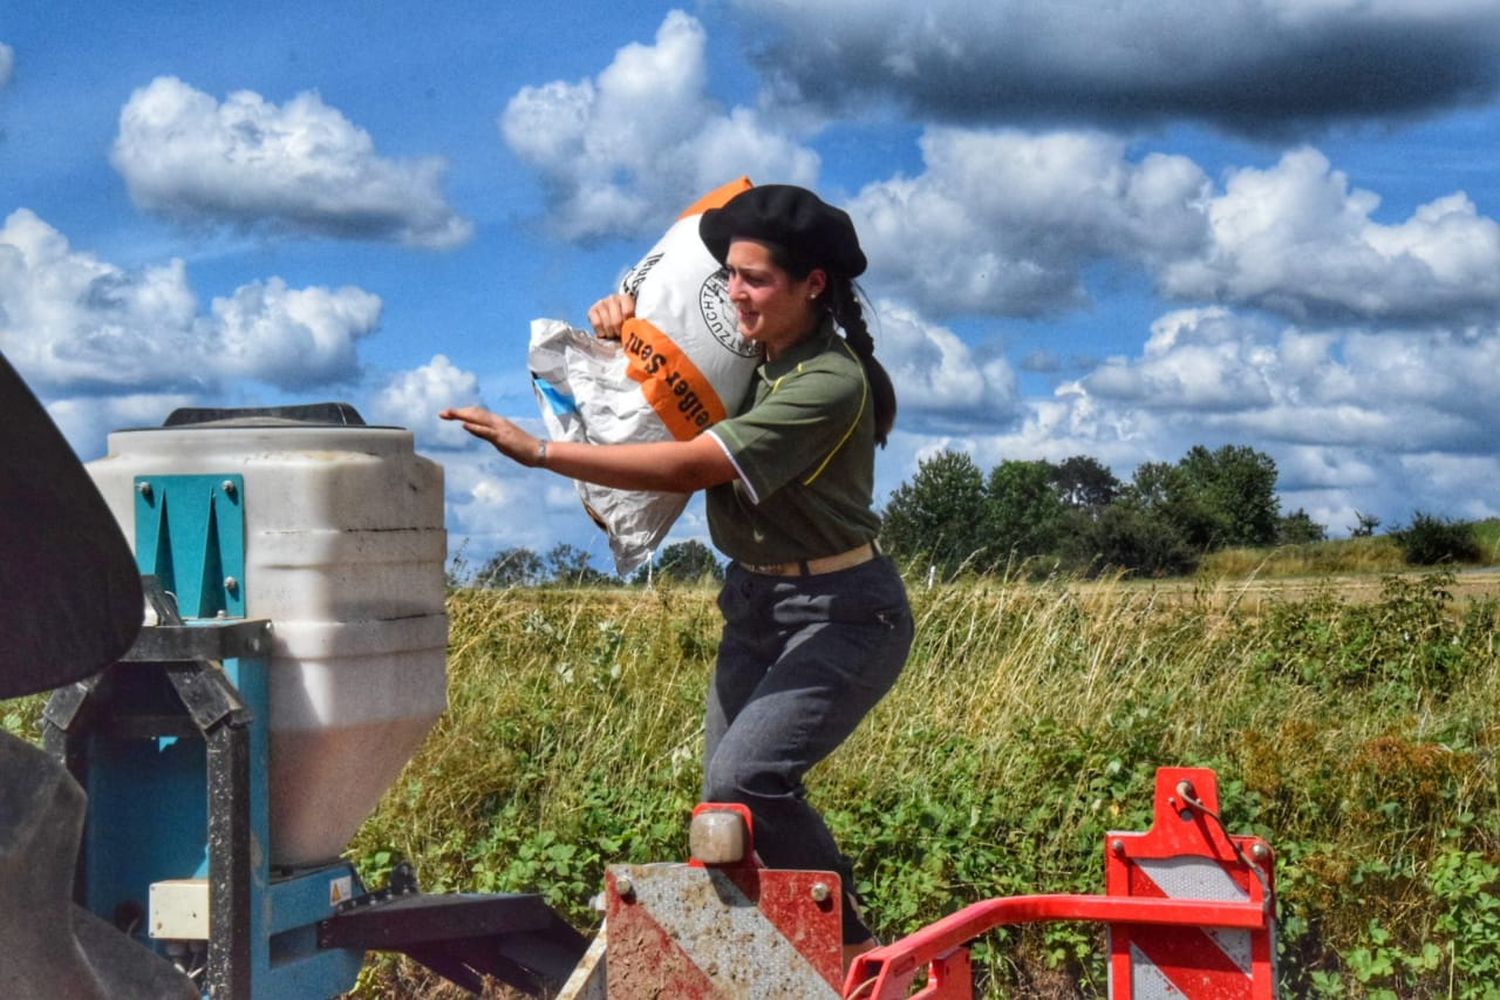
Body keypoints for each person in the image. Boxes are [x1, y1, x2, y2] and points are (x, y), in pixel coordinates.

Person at [441, 184, 914, 967]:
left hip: (844, 612)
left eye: (755, 279)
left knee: (749, 776)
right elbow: (676, 353)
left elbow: (693, 463)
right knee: (723, 805)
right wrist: (625, 317)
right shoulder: (748, 358)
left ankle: (859, 948)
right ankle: (764, 966)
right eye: (729, 275)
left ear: (813, 285)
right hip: (757, 601)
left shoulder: (828, 384)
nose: (735, 292)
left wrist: (543, 453)